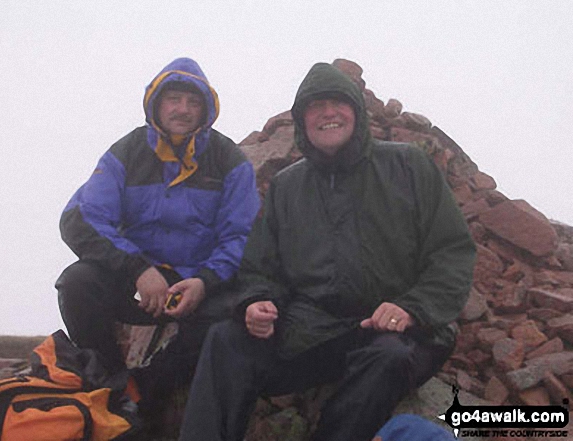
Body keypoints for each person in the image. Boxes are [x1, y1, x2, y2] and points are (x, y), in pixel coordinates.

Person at [179, 62, 476, 441]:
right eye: (315, 107)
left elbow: (452, 252)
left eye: (338, 103)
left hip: (397, 332)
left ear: (356, 111)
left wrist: (412, 307)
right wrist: (257, 301)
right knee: (226, 339)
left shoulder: (407, 164)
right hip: (313, 330)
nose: (328, 114)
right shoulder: (288, 186)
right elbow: (261, 267)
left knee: (388, 358)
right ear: (302, 123)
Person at [55, 57, 260, 423]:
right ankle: (111, 383)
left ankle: (148, 394)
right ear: (156, 103)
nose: (182, 109)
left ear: (206, 109)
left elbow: (240, 236)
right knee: (77, 283)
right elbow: (82, 218)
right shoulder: (128, 151)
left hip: (195, 284)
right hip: (133, 277)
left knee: (229, 319)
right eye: (174, 99)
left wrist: (204, 281)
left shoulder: (229, 161)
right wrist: (136, 268)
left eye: (193, 102)